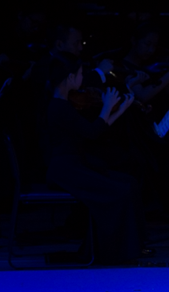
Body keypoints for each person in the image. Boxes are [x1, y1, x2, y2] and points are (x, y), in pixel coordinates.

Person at [43, 56, 145, 264]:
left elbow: (93, 131)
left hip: (75, 165)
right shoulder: (58, 106)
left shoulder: (64, 104)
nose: (83, 78)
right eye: (81, 74)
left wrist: (120, 109)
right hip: (66, 170)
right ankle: (113, 252)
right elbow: (91, 133)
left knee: (129, 183)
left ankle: (132, 247)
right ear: (70, 77)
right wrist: (107, 106)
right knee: (119, 191)